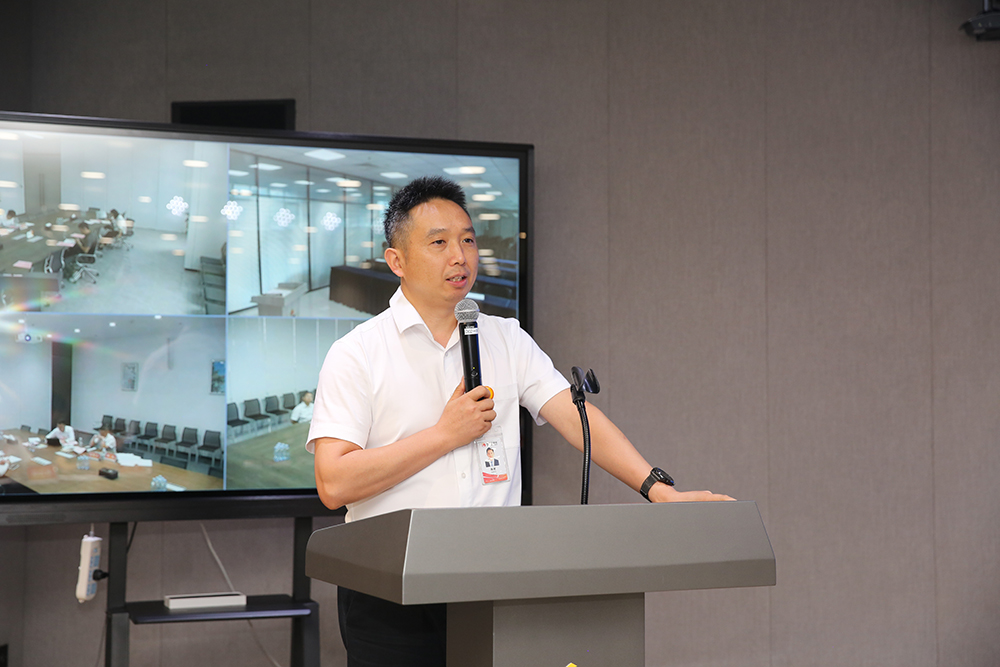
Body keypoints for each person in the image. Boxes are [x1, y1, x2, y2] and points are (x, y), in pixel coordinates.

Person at [307, 177, 733, 667]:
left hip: (493, 581)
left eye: (468, 240)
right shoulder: (357, 353)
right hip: (391, 596)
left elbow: (576, 417)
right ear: (396, 261)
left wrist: (659, 490)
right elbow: (334, 483)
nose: (460, 256)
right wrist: (444, 436)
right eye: (439, 242)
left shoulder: (506, 339)